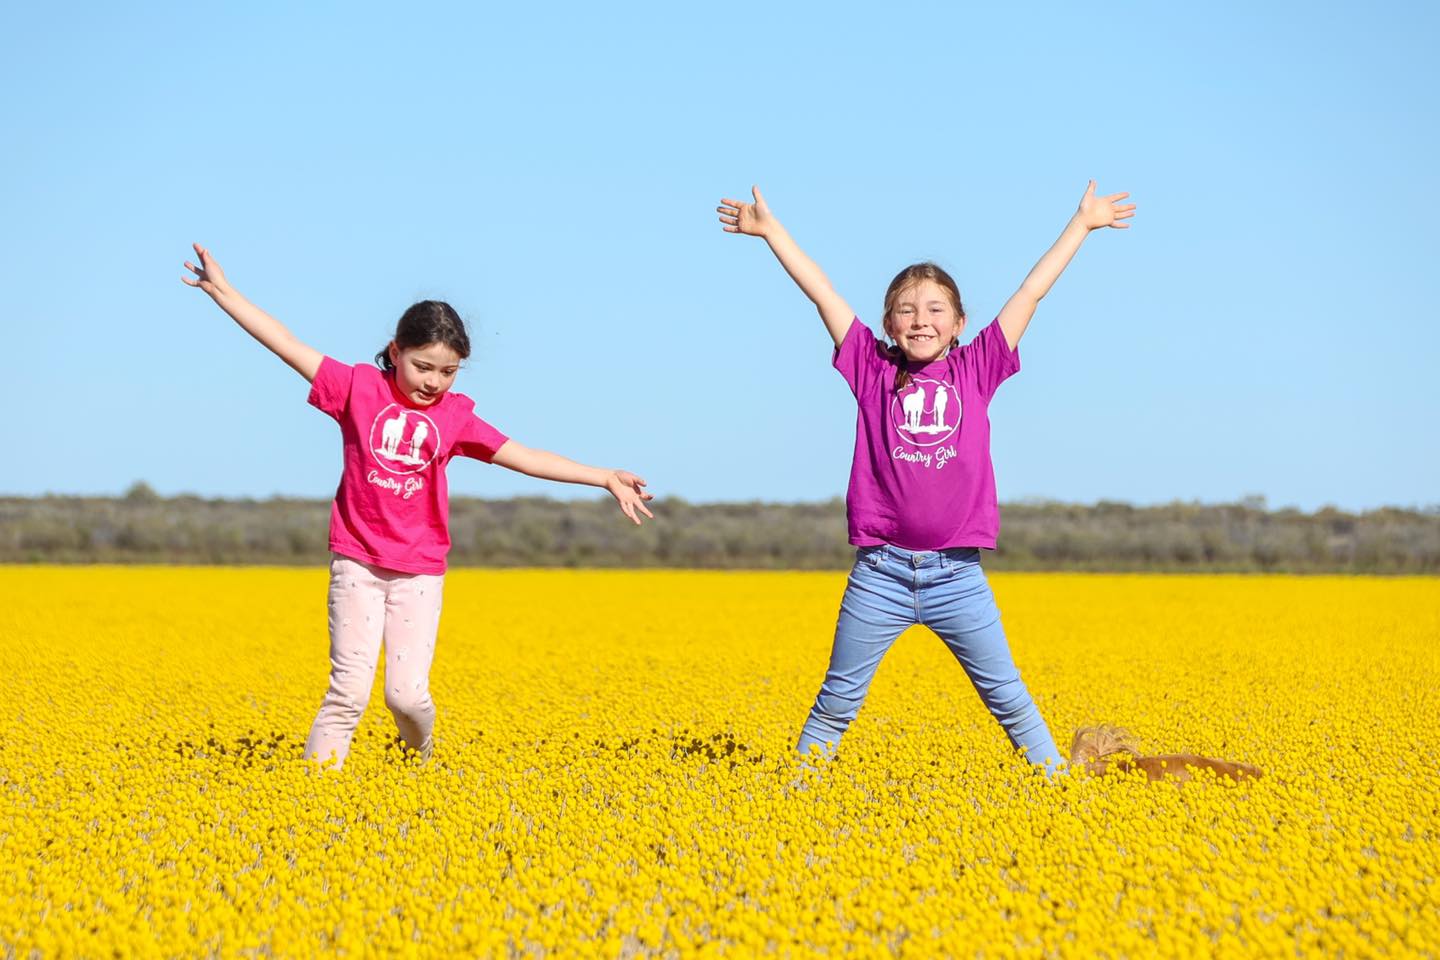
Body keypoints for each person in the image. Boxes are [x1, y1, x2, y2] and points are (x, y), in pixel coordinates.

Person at [182, 243, 654, 769]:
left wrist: (603, 476)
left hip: (419, 573)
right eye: (423, 366)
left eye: (448, 372)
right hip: (356, 563)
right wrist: (224, 293)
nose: (433, 381)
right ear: (396, 351)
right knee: (348, 695)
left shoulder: (454, 417)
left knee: (406, 698)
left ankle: (418, 762)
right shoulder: (357, 388)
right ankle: (310, 804)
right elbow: (287, 344)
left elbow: (523, 456)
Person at [717, 182, 1134, 772]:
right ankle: (793, 795)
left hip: (957, 575)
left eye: (935, 309)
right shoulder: (869, 365)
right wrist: (771, 232)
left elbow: (1030, 292)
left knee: (1009, 701)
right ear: (888, 323)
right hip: (880, 572)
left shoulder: (979, 365)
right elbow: (822, 293)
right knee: (836, 703)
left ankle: (1058, 792)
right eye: (907, 310)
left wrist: (1083, 224)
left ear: (959, 322)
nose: (921, 320)